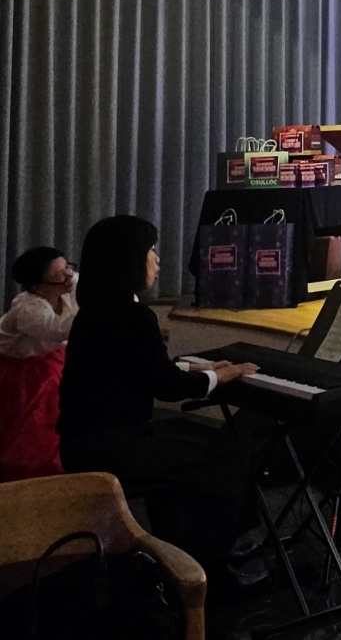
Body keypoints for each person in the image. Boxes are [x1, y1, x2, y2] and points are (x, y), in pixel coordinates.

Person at [57, 216, 259, 584]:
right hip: (113, 449)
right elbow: (166, 386)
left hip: (84, 444)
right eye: (150, 250)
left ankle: (183, 550)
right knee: (226, 451)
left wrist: (199, 369)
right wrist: (220, 376)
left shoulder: (96, 310)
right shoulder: (132, 315)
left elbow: (138, 367)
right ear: (129, 259)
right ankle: (211, 565)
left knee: (187, 445)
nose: (157, 259)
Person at [0, 247, 77, 480]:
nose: (70, 276)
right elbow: (57, 330)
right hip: (20, 369)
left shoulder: (68, 286)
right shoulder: (27, 308)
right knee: (36, 417)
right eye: (60, 275)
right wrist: (95, 308)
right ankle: (33, 469)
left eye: (68, 267)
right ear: (38, 287)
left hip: (51, 358)